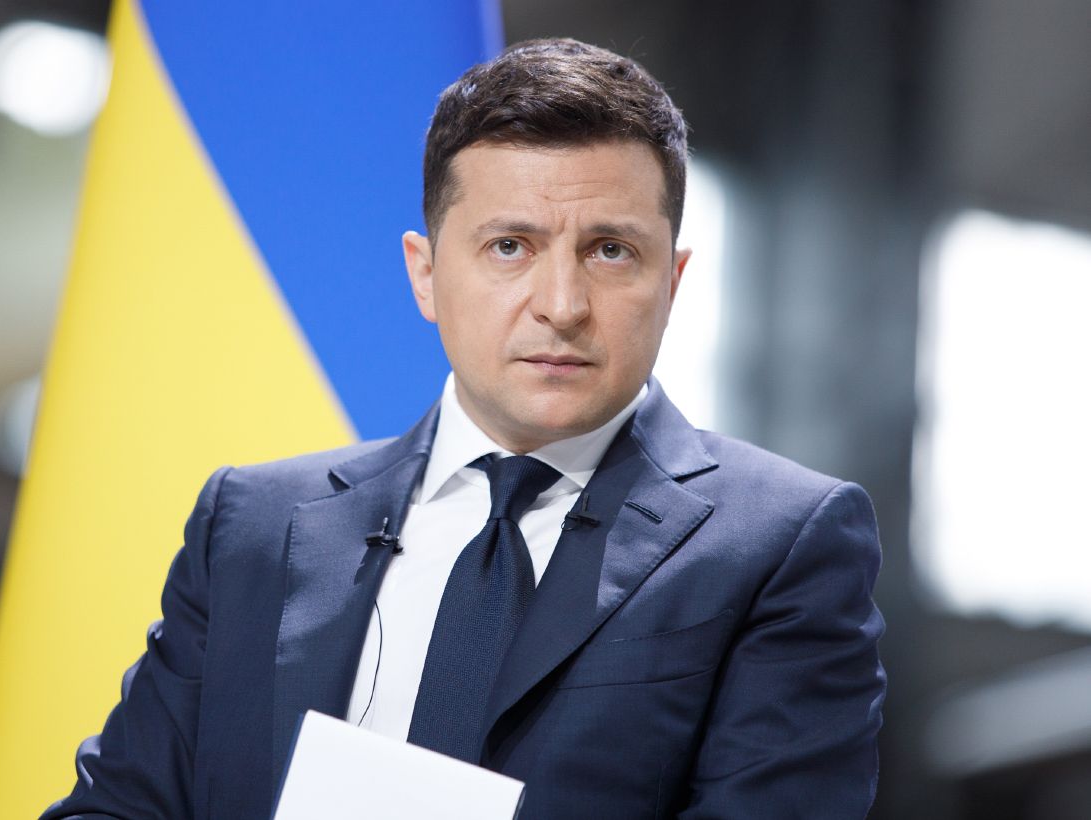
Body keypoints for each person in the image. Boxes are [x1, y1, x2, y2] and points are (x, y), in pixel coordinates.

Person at [43, 38, 885, 819]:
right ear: (425, 274)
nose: (562, 305)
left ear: (672, 282)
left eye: (610, 251)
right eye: (510, 246)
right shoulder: (251, 527)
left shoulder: (781, 543)